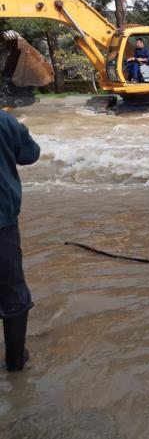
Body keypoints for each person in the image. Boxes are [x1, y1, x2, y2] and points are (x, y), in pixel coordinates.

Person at [0, 107, 40, 372]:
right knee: (12, 289)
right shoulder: (4, 121)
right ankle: (15, 360)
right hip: (1, 223)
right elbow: (30, 154)